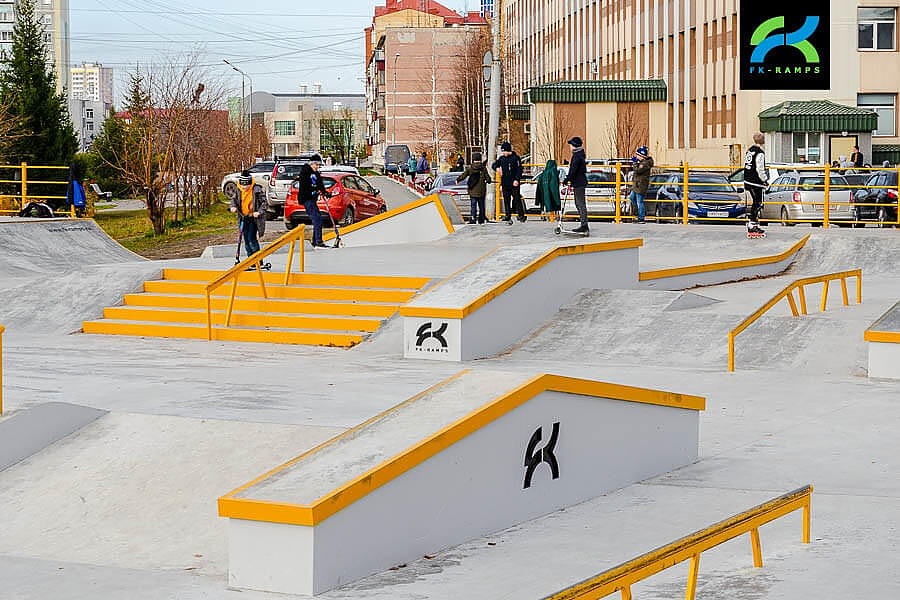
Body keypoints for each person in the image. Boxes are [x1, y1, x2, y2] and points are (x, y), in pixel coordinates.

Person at [229, 170, 268, 260]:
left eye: (246, 184)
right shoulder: (238, 190)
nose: (244, 187)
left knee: (251, 238)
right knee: (246, 239)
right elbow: (233, 200)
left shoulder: (256, 190)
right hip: (243, 218)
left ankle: (258, 260)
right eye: (242, 184)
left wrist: (259, 212)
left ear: (250, 183)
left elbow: (264, 203)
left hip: (253, 219)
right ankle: (250, 259)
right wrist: (233, 207)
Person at [296, 155, 332, 248]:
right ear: (312, 164)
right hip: (307, 199)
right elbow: (305, 186)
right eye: (316, 165)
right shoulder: (305, 172)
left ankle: (316, 240)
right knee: (317, 219)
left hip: (312, 199)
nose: (317, 167)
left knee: (318, 219)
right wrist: (314, 190)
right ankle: (318, 241)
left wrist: (325, 192)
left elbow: (319, 183)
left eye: (319, 165)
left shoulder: (316, 173)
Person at [491, 141, 525, 222]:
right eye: (503, 151)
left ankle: (521, 215)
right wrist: (497, 168)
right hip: (505, 183)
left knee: (517, 199)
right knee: (506, 200)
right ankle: (507, 215)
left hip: (514, 183)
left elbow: (519, 170)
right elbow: (494, 165)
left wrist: (517, 179)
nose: (504, 153)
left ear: (509, 150)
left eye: (505, 151)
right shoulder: (502, 159)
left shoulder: (515, 158)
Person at [743, 132, 769, 235]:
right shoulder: (760, 152)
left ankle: (754, 223)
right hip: (755, 181)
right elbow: (760, 168)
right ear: (763, 140)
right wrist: (765, 180)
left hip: (747, 180)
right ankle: (752, 224)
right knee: (758, 203)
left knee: (755, 202)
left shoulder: (750, 150)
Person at [456, 151, 491, 224]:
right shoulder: (483, 168)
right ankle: (481, 219)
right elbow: (488, 178)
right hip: (481, 190)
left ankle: (473, 219)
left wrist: (458, 179)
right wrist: (488, 180)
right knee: (481, 205)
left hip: (472, 190)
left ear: (473, 159)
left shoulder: (470, 168)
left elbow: (464, 175)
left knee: (473, 205)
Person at [562, 136, 588, 233]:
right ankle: (583, 224)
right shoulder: (579, 154)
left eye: (571, 144)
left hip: (579, 182)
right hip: (579, 182)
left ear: (575, 145)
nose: (570, 146)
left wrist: (567, 179)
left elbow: (573, 170)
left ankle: (584, 225)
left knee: (580, 204)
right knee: (579, 203)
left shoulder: (577, 156)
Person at [629, 146, 654, 224]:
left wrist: (634, 163)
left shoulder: (645, 163)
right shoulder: (642, 162)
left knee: (640, 201)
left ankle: (641, 217)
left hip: (641, 185)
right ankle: (637, 213)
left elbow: (638, 170)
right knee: (632, 198)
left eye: (638, 155)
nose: (636, 156)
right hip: (637, 185)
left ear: (641, 156)